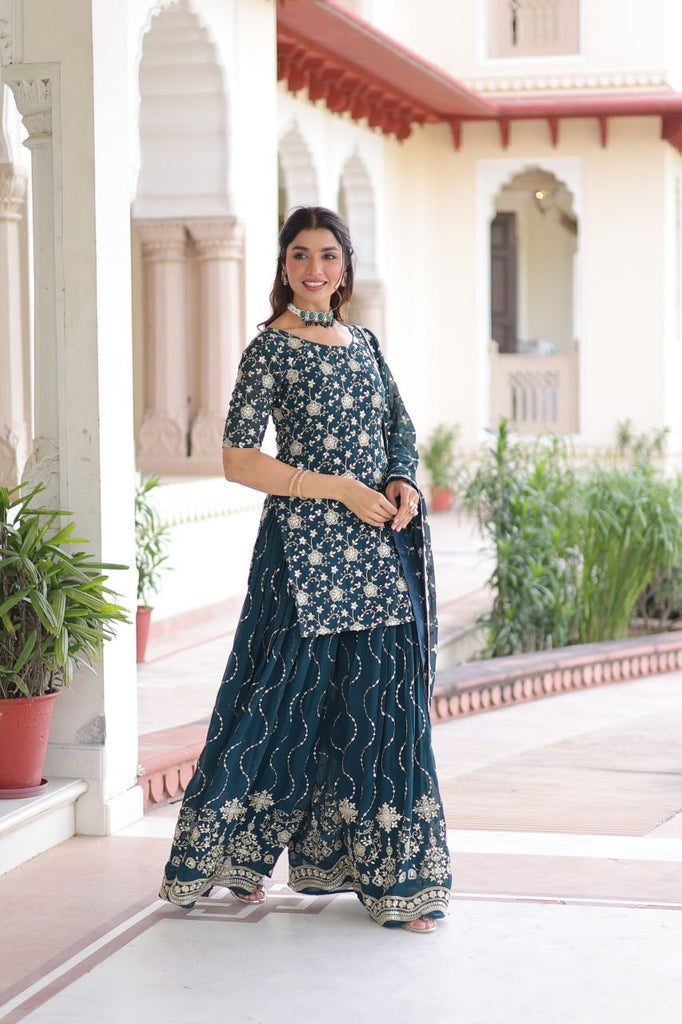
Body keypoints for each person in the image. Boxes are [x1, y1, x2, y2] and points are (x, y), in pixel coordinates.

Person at [160, 206, 451, 932]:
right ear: (284, 266)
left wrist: (401, 482)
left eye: (327, 255)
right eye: (300, 255)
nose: (314, 269)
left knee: (383, 711)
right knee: (277, 702)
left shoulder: (367, 344)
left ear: (345, 267)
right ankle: (228, 856)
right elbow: (237, 458)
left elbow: (399, 428)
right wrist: (338, 489)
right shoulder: (270, 349)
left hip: (377, 553)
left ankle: (399, 881)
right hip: (301, 554)